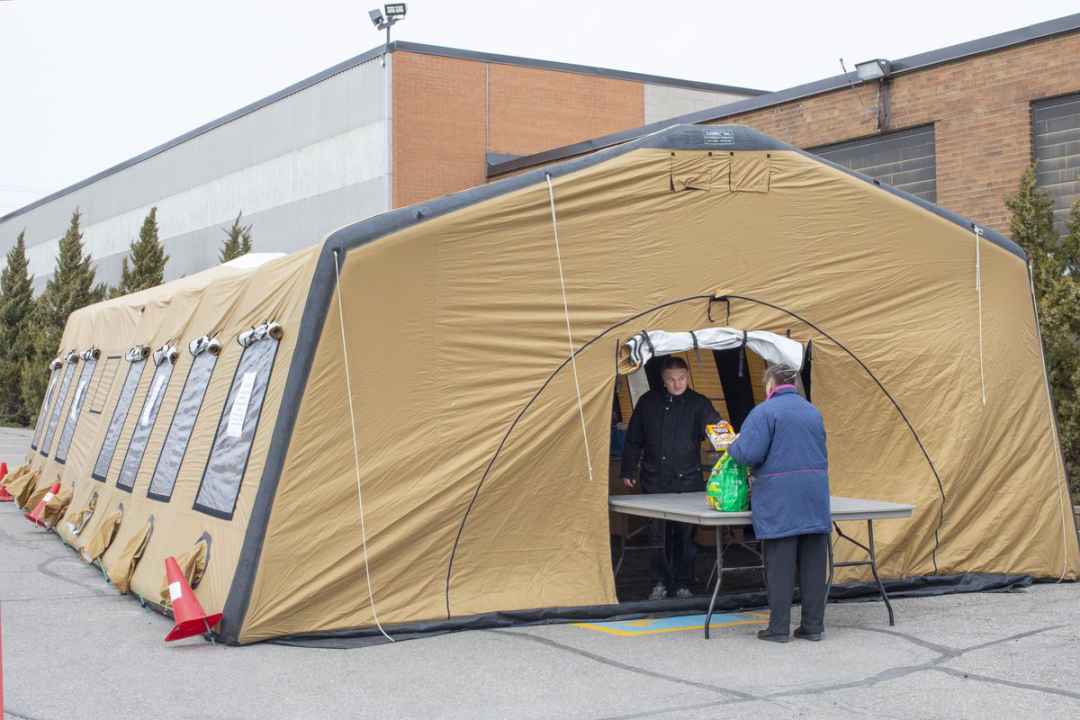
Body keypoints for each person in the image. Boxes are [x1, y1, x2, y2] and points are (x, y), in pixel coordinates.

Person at [727, 363, 831, 643]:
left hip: (780, 499)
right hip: (814, 496)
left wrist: (732, 444)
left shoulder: (764, 412)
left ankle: (779, 628)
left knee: (781, 565)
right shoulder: (813, 411)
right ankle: (812, 627)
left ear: (770, 384)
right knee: (812, 565)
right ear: (794, 384)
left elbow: (749, 453)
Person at [620, 356, 722, 600]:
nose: (678, 384)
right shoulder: (648, 402)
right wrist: (628, 470)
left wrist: (725, 436)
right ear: (663, 380)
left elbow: (713, 423)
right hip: (655, 479)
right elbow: (633, 438)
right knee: (657, 534)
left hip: (688, 480)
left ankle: (684, 583)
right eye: (672, 380)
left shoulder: (699, 403)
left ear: (688, 377)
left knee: (686, 535)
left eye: (682, 379)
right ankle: (659, 583)